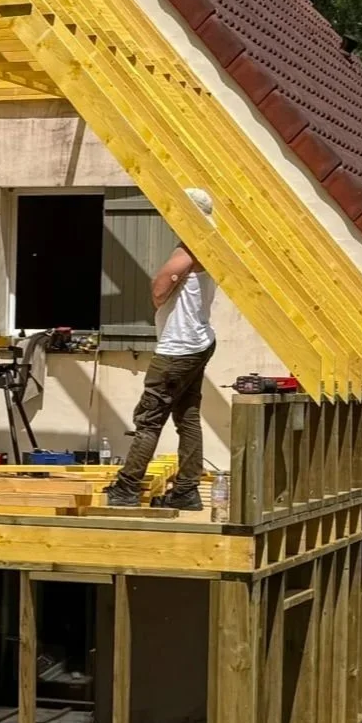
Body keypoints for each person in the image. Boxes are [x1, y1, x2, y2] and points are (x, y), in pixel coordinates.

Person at [105, 187, 217, 510]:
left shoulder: (190, 248)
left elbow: (163, 281)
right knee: (188, 416)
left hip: (178, 348)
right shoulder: (211, 249)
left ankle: (127, 487)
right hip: (199, 343)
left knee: (149, 418)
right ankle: (186, 491)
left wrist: (157, 298)